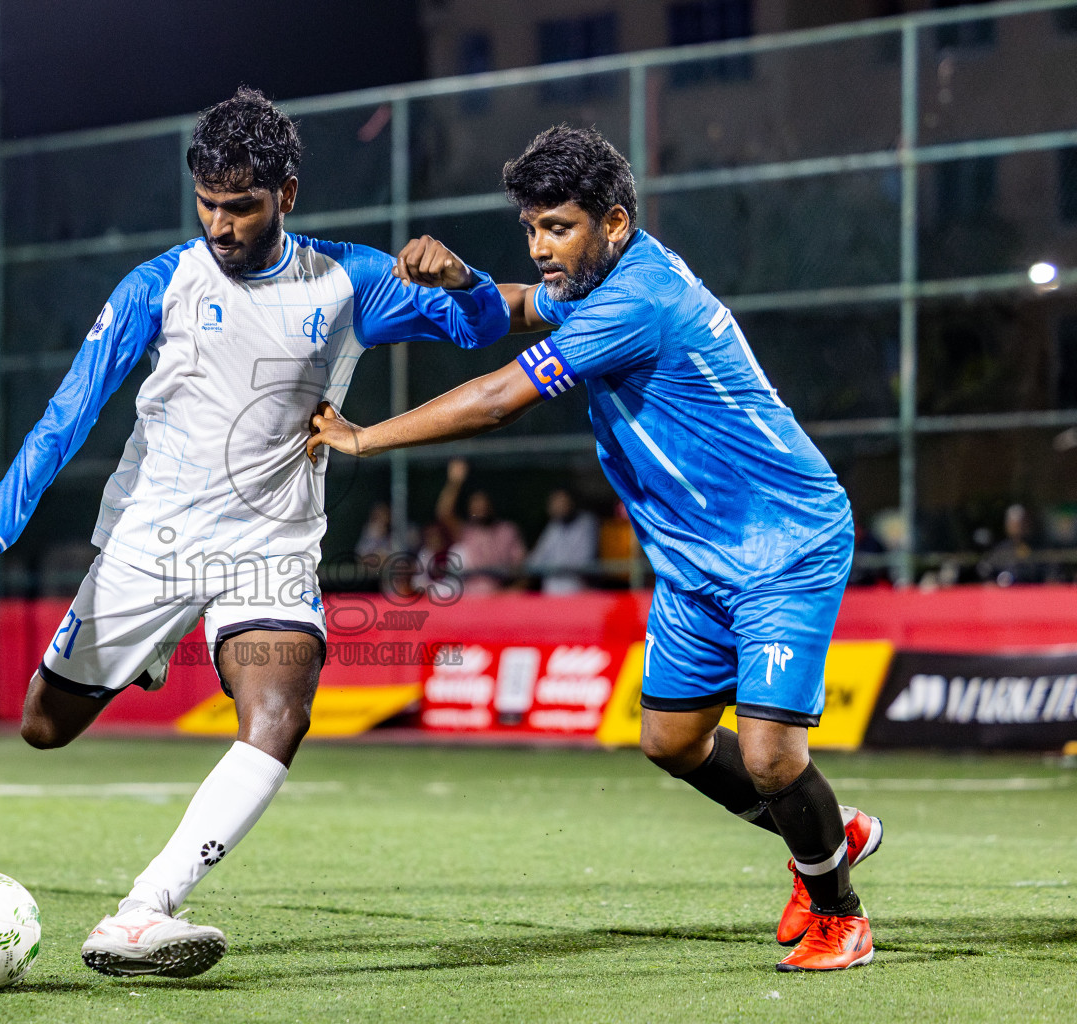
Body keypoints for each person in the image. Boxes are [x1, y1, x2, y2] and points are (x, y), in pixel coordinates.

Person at [0, 88, 510, 979]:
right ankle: (152, 646)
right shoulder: (157, 286)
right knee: (45, 726)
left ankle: (140, 913)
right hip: (151, 542)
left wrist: (462, 281)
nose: (221, 226)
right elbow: (68, 413)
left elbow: (481, 332)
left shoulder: (349, 281)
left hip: (272, 544)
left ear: (288, 194)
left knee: (280, 714)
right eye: (207, 205)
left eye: (242, 207)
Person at [308, 125, 882, 972]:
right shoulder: (596, 275)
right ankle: (828, 835)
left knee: (769, 757)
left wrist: (364, 439)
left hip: (783, 542)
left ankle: (840, 913)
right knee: (671, 743)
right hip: (695, 559)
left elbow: (500, 396)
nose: (541, 248)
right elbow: (509, 306)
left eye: (558, 228)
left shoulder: (637, 299)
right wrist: (464, 276)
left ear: (613, 222)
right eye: (532, 229)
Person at [435, 458, 527, 595]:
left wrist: (510, 593)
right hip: (471, 598)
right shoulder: (467, 531)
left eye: (484, 503)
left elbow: (523, 569)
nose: (481, 507)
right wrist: (455, 482)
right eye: (476, 505)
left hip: (501, 596)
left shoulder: (507, 530)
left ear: (492, 505)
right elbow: (443, 513)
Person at [527, 487, 598, 594]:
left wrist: (552, 567)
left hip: (577, 590)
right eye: (555, 502)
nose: (558, 505)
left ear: (571, 502)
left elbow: (583, 561)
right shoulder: (553, 527)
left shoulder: (586, 522)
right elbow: (535, 561)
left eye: (562, 501)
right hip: (551, 593)